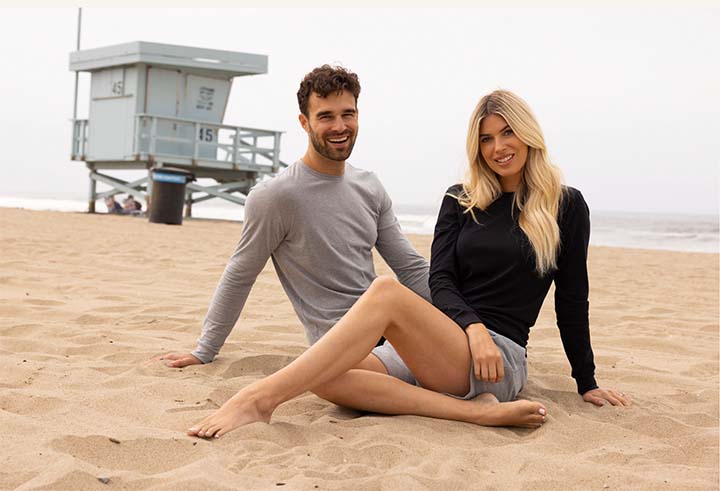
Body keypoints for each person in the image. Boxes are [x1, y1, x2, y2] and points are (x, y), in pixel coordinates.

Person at [184, 89, 628, 440]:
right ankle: (471, 413)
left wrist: (585, 380)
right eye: (487, 138)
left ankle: (260, 399)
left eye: (507, 133)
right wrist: (467, 326)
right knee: (325, 375)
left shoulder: (565, 206)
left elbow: (573, 299)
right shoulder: (461, 198)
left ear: (528, 134)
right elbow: (440, 278)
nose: (498, 148)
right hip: (443, 341)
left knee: (383, 292)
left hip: (497, 357)